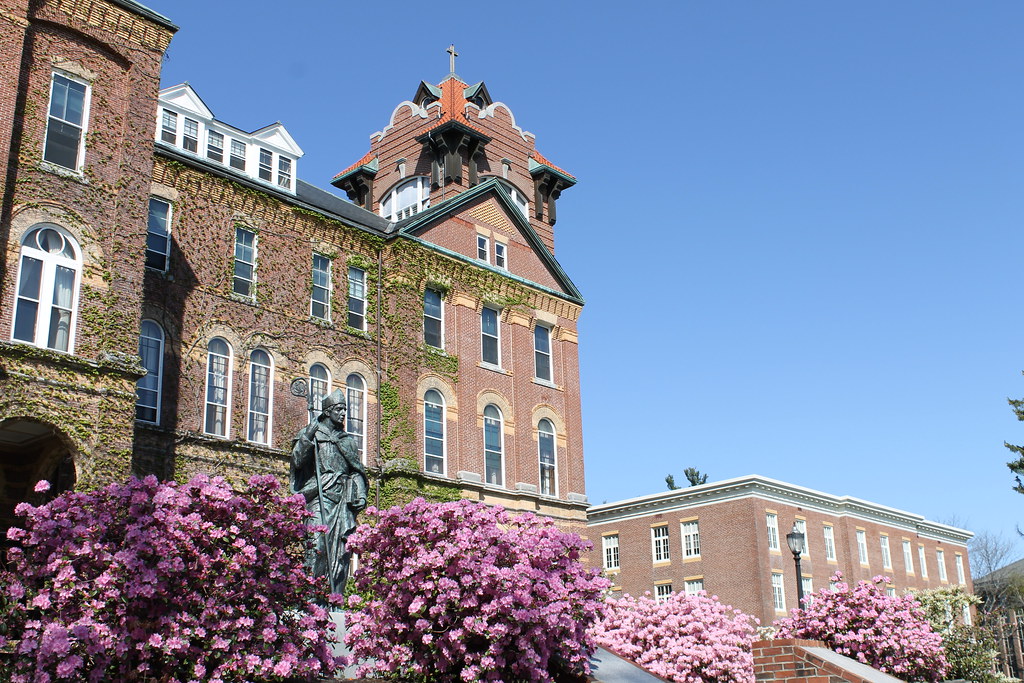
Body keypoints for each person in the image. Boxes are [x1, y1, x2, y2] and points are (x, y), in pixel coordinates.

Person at [290, 388, 368, 595]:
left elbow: (356, 470)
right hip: (320, 497)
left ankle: (335, 601)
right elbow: (297, 460)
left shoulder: (347, 440)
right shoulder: (312, 434)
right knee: (317, 548)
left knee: (340, 556)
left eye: (345, 409)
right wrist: (308, 434)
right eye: (340, 409)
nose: (344, 414)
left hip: (342, 500)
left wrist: (360, 493)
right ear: (328, 411)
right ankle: (311, 603)